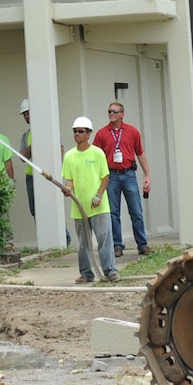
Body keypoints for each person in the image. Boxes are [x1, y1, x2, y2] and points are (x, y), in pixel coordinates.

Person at [58, 118, 116, 283]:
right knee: (83, 243)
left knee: (104, 239)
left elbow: (105, 177)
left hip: (99, 206)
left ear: (89, 133)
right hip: (79, 207)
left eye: (81, 131)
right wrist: (68, 189)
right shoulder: (69, 156)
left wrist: (98, 195)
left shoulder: (97, 153)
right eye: (75, 131)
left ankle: (110, 271)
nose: (77, 134)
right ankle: (86, 273)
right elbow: (69, 180)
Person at [99, 101, 152, 258]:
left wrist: (147, 175)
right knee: (113, 212)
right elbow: (97, 156)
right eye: (109, 111)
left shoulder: (132, 131)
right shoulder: (102, 134)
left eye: (115, 112)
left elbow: (140, 153)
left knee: (136, 210)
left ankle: (142, 244)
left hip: (129, 173)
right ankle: (117, 245)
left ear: (122, 114)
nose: (111, 114)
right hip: (111, 175)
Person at [19, 98, 34, 217]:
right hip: (31, 177)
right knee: (35, 212)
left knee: (52, 210)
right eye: (24, 114)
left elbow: (59, 150)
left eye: (28, 113)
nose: (26, 116)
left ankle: (65, 237)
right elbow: (22, 157)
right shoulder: (26, 135)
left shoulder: (48, 129)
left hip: (47, 177)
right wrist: (32, 146)